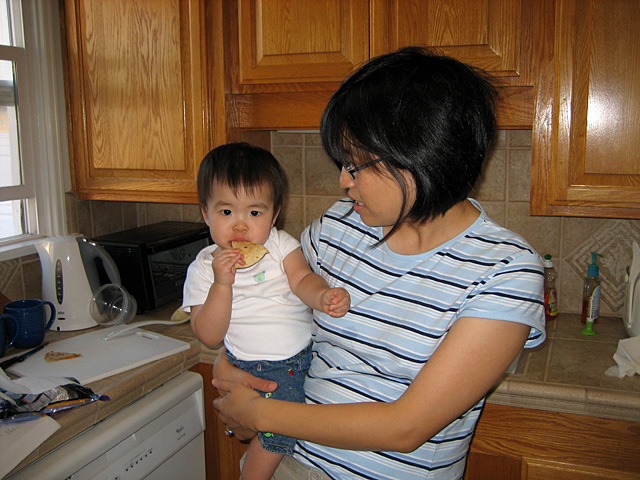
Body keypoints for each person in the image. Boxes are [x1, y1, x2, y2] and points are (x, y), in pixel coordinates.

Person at [212, 47, 546, 480]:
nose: (343, 181)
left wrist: (262, 414)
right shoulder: (338, 227)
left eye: (355, 164)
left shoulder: (506, 269)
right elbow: (267, 303)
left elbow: (405, 427)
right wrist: (232, 365)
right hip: (286, 464)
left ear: (417, 156)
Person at [182, 142, 351, 480]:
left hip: (291, 363)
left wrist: (323, 297)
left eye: (254, 213)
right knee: (277, 433)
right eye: (226, 212)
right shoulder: (204, 268)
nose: (240, 226)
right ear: (205, 213)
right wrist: (222, 285)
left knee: (275, 432)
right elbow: (209, 334)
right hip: (244, 364)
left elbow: (302, 278)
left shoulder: (279, 245)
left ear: (274, 216)